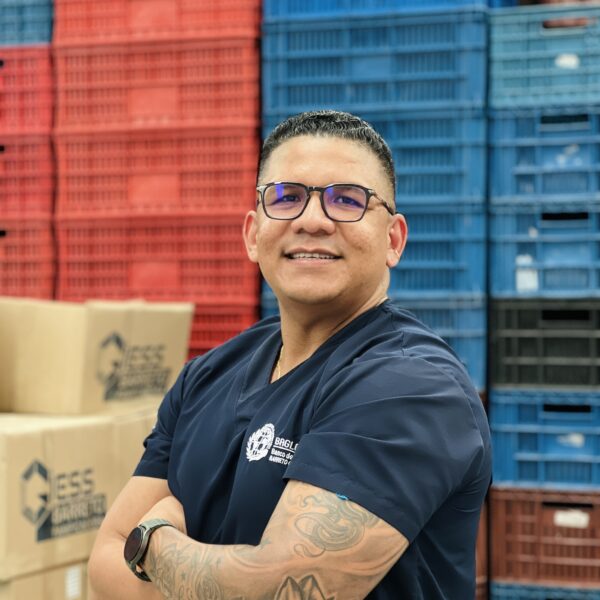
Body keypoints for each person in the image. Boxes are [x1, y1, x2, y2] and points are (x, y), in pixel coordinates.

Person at [88, 110, 491, 600]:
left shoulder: (412, 385)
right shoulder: (207, 375)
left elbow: (279, 591)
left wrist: (152, 542)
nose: (312, 220)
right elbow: (105, 560)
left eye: (347, 200)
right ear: (253, 235)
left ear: (393, 240)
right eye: (286, 197)